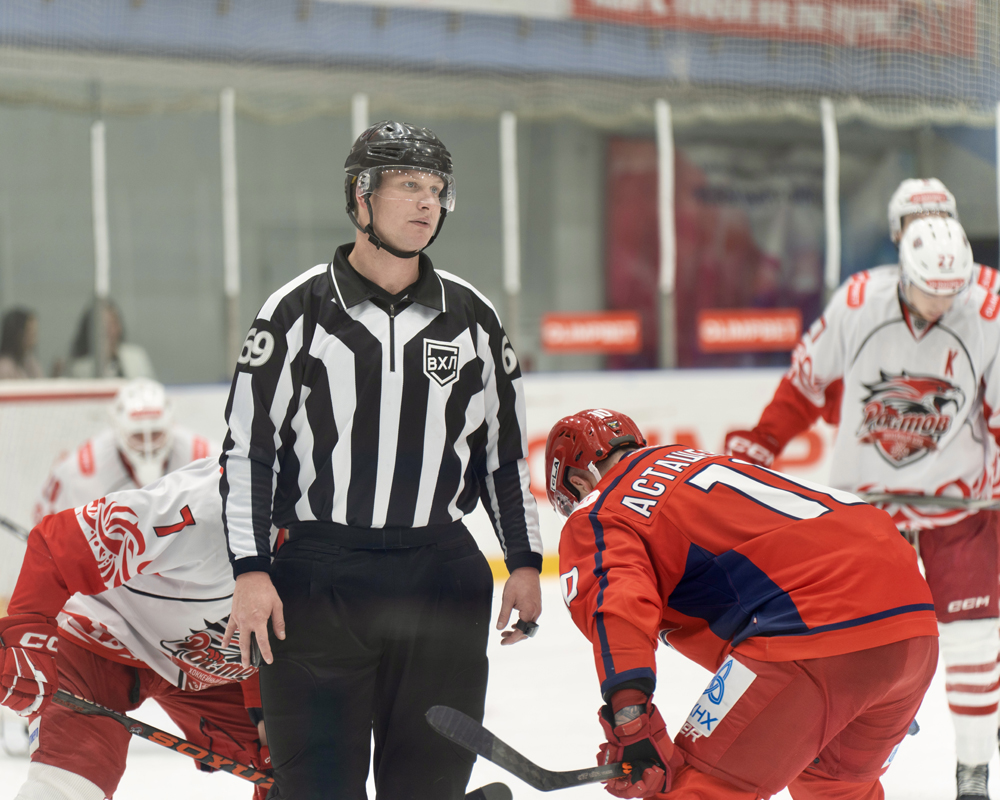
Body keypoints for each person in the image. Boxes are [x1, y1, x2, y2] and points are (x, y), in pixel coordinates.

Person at [218, 120, 543, 799]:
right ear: (361, 196)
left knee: (428, 789)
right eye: (408, 185)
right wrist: (250, 570)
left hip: (440, 581)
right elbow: (250, 450)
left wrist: (523, 560)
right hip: (318, 582)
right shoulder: (296, 311)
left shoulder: (473, 317)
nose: (427, 202)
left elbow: (502, 452)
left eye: (437, 190)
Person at [726, 203, 1000, 799]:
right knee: (856, 643)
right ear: (904, 273)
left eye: (952, 292)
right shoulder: (857, 303)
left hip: (959, 504)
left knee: (976, 639)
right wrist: (765, 439)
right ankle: (855, 759)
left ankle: (974, 774)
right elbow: (807, 383)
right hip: (866, 510)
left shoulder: (987, 309)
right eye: (930, 291)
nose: (942, 304)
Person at [547, 408, 939, 800]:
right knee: (834, 786)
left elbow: (616, 606)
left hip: (816, 626)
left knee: (698, 789)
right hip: (911, 622)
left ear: (579, 482)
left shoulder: (600, 510)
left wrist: (631, 721)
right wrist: (865, 681)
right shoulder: (698, 461)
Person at [0, 458, 271, 800]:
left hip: (215, 669)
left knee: (311, 766)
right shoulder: (209, 505)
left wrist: (270, 721)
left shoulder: (326, 541)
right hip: (99, 639)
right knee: (67, 785)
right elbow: (60, 542)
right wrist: (26, 638)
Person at [34, 379, 210, 520]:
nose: (148, 445)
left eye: (155, 434)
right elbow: (47, 520)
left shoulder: (205, 456)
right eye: (137, 436)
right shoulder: (78, 472)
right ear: (118, 431)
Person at [66, 301, 155, 379]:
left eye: (113, 323)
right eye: (103, 324)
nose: (109, 330)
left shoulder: (137, 356)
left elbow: (151, 387)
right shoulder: (78, 368)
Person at [0, 308, 44, 380]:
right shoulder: (3, 368)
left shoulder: (30, 362)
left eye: (34, 334)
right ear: (17, 334)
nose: (34, 340)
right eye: (30, 333)